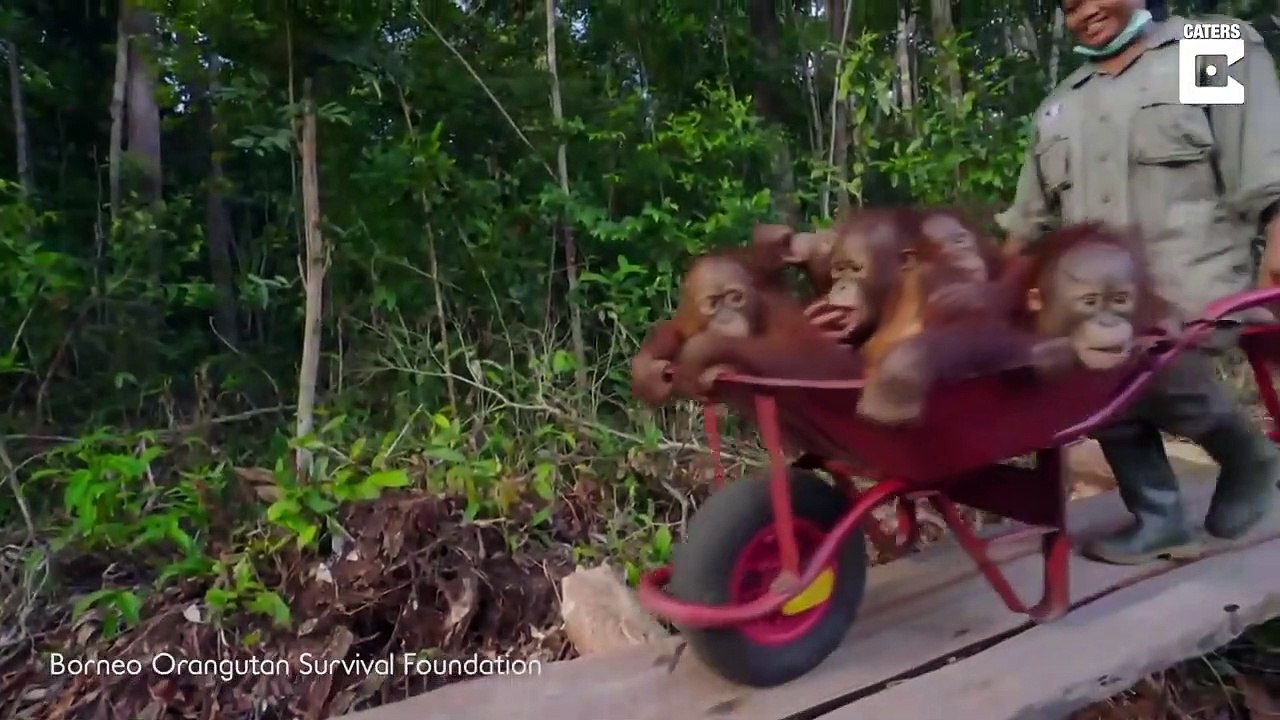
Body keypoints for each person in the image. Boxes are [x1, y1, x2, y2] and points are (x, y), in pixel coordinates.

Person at [996, 0, 1280, 564]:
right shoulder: (1063, 104)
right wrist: (994, 294)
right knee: (1091, 383)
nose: (1081, 11)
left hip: (1190, 285)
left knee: (1158, 370)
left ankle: (1249, 458)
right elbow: (1028, 222)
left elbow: (1262, 164)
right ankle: (1159, 517)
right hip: (1097, 302)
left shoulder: (1205, 49)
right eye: (1068, 6)